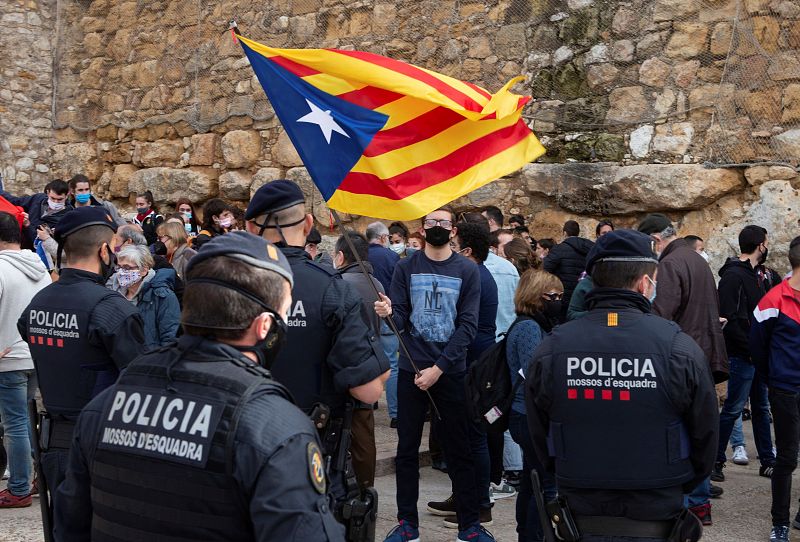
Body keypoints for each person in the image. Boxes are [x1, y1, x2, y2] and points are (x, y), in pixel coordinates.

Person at [54, 231, 345, 541]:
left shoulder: (105, 406)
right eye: (282, 315)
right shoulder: (274, 428)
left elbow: (70, 527)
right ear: (264, 326)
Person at [527, 229, 716, 542]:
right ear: (645, 283)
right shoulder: (678, 347)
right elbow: (706, 433)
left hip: (581, 505)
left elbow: (536, 431)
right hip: (657, 507)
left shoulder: (552, 347)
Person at [245, 180, 389, 534]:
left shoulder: (225, 283)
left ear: (249, 227)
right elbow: (368, 390)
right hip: (310, 461)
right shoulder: (332, 289)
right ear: (308, 224)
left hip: (237, 455)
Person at [375, 207, 494, 542]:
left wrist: (439, 369)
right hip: (411, 371)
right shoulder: (406, 267)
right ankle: (407, 523)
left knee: (459, 449)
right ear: (423, 228)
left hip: (450, 372)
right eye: (431, 222)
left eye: (443, 222)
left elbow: (467, 325)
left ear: (453, 230)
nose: (437, 226)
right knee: (407, 449)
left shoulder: (466, 271)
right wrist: (388, 313)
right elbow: (401, 318)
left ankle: (469, 525)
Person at [16, 206, 146, 504]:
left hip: (55, 446)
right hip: (103, 445)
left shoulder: (40, 301)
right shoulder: (111, 308)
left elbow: (30, 333)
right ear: (104, 251)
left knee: (64, 523)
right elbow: (140, 380)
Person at [637, 213, 727, 525]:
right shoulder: (696, 259)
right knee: (699, 428)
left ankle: (689, 503)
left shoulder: (669, 264)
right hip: (702, 354)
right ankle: (699, 503)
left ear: (655, 240)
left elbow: (661, 315)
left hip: (679, 359)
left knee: (681, 432)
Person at [427, 221, 497, 528]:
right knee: (459, 436)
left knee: (472, 437)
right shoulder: (476, 274)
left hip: (471, 367)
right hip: (466, 365)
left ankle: (479, 506)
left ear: (467, 251)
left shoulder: (474, 276)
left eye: (453, 246)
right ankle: (463, 496)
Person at [713, 225, 777, 484]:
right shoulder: (733, 276)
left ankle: (767, 461)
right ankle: (716, 460)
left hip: (759, 357)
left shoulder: (762, 275)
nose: (767, 247)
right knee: (733, 408)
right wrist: (751, 350)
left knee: (761, 409)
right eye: (766, 242)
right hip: (743, 356)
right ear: (760, 245)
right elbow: (728, 319)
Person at [750, 236, 800, 542]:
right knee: (787, 458)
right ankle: (779, 523)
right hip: (785, 390)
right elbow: (757, 345)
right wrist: (774, 377)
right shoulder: (774, 299)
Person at [507, 269, 562, 542]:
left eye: (560, 296)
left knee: (532, 483)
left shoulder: (532, 324)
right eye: (552, 296)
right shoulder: (529, 327)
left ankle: (526, 534)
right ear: (535, 296)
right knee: (545, 486)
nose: (558, 301)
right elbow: (535, 374)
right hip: (529, 415)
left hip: (525, 414)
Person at [0, 212, 50, 508]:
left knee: (15, 423)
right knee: (26, 420)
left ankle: (18, 488)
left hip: (7, 358)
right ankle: (37, 479)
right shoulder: (39, 267)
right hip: (35, 355)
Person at [332, 232, 383, 493]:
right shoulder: (376, 283)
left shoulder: (338, 283)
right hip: (368, 366)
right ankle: (365, 492)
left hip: (342, 365)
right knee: (364, 435)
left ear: (340, 256)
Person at [109, 244, 180, 350]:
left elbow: (169, 339)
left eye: (127, 268)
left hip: (149, 357)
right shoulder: (111, 290)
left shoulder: (162, 296)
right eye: (119, 267)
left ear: (144, 270)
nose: (121, 272)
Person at [543, 220, 595, 322]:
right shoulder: (591, 249)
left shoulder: (559, 249)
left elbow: (544, 269)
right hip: (583, 298)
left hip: (563, 298)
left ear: (565, 233)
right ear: (578, 233)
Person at [0, 179, 72, 249]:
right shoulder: (38, 199)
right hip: (20, 245)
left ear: (66, 196)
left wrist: (28, 225)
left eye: (60, 199)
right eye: (52, 198)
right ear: (48, 193)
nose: (55, 202)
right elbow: (16, 201)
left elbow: (46, 244)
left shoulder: (69, 217)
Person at [366, 221, 400, 293]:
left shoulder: (360, 255)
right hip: (387, 298)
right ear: (383, 237)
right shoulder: (392, 256)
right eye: (388, 237)